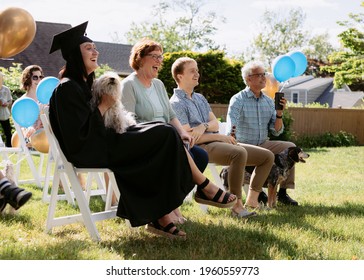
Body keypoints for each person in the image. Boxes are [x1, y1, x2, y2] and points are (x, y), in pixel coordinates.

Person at [48, 22, 236, 239]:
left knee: (165, 131)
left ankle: (163, 216)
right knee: (164, 134)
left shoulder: (84, 85)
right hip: (91, 150)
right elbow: (79, 138)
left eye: (94, 47)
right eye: (88, 48)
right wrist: (103, 106)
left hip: (106, 142)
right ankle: (202, 187)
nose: (95, 51)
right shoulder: (66, 88)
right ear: (74, 55)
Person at [170, 57, 274, 216]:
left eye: (197, 70)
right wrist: (217, 136)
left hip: (216, 142)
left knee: (266, 156)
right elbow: (191, 138)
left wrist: (203, 126)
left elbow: (215, 124)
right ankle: (237, 205)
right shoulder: (176, 102)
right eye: (192, 71)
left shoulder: (200, 98)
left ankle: (252, 199)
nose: (197, 74)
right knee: (239, 153)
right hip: (200, 148)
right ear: (179, 76)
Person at [120, 39, 209, 224]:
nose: (160, 61)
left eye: (161, 57)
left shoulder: (159, 85)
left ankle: (170, 203)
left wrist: (182, 132)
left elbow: (170, 114)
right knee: (174, 154)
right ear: (140, 59)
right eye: (155, 57)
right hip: (145, 141)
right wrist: (157, 133)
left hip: (169, 139)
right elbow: (128, 121)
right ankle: (171, 206)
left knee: (200, 156)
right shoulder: (129, 85)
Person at [226, 60, 299, 206]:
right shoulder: (238, 99)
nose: (263, 77)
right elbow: (231, 124)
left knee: (291, 147)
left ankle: (283, 193)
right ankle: (257, 193)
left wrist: (279, 114)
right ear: (248, 79)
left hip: (263, 144)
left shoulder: (268, 101)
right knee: (267, 156)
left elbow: (276, 132)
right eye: (259, 75)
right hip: (244, 145)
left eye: (264, 74)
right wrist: (231, 139)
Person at [0, 72, 13, 147]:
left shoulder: (6, 89)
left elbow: (10, 100)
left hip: (4, 114)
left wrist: (7, 104)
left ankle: (9, 147)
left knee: (8, 132)